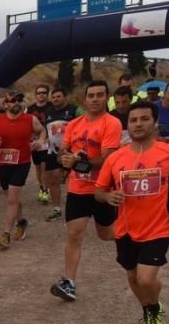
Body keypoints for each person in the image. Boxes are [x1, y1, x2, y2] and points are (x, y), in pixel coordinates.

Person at [94, 101, 169, 324]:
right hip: (125, 229)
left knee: (146, 278)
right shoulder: (116, 158)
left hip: (159, 227)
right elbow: (99, 190)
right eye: (134, 120)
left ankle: (154, 309)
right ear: (128, 124)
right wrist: (108, 196)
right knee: (132, 277)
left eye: (144, 119)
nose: (138, 124)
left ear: (154, 122)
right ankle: (148, 308)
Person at [51, 80, 123, 302]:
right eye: (91, 95)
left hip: (101, 189)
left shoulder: (111, 123)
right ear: (84, 99)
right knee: (74, 235)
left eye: (100, 95)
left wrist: (79, 163)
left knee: (106, 234)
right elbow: (61, 152)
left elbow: (107, 159)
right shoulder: (74, 124)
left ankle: (133, 238)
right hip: (77, 189)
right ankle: (69, 283)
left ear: (106, 98)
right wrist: (64, 158)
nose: (95, 99)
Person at [0, 90, 47, 249]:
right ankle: (22, 222)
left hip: (22, 163)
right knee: (12, 199)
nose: (16, 103)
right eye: (12, 101)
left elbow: (42, 130)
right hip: (3, 163)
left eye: (18, 100)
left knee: (12, 200)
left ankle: (5, 235)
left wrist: (40, 140)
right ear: (5, 104)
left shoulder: (30, 119)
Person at [43, 88, 83, 222]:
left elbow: (85, 125)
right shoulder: (48, 113)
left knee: (75, 178)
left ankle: (79, 206)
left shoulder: (75, 110)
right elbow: (45, 130)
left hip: (72, 151)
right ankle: (56, 209)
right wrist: (41, 140)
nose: (55, 99)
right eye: (53, 97)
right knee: (53, 179)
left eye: (58, 96)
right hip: (53, 151)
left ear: (65, 97)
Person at [27, 85, 52, 204]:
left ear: (47, 94)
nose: (41, 95)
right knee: (37, 168)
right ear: (35, 95)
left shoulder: (52, 107)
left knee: (44, 167)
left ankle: (45, 190)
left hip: (48, 141)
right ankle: (42, 187)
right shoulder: (29, 108)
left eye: (43, 92)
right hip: (34, 142)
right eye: (39, 93)